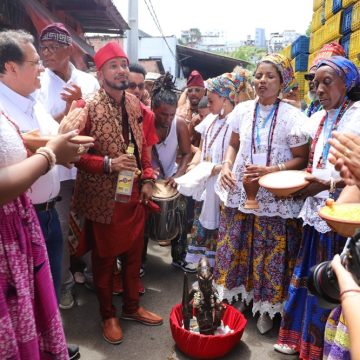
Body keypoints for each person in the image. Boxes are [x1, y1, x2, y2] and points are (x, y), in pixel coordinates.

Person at [0, 28, 89, 360]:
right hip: (20, 218)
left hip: (45, 212)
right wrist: (52, 153)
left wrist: (67, 119)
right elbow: (36, 146)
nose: (41, 67)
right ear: (10, 67)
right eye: (35, 61)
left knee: (44, 290)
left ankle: (49, 343)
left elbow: (46, 134)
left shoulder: (30, 99)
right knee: (22, 298)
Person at [71, 41, 163, 345]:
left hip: (134, 195)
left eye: (124, 64)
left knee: (135, 256)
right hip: (103, 200)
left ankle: (132, 308)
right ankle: (108, 314)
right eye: (114, 65)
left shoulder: (136, 105)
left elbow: (143, 149)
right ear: (100, 74)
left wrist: (148, 177)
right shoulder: (87, 106)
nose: (122, 69)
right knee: (105, 260)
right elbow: (73, 155)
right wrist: (108, 163)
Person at [216, 53, 309, 334]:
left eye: (270, 76)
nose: (262, 81)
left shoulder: (293, 117)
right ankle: (241, 297)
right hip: (241, 190)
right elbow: (233, 143)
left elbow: (301, 159)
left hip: (274, 195)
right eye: (258, 75)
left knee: (270, 251)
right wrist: (227, 166)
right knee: (240, 244)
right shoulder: (242, 111)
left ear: (282, 82)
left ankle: (267, 306)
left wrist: (272, 170)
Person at [275, 56, 360, 358]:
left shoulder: (357, 116)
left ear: (347, 84)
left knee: (336, 283)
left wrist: (327, 186)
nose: (319, 89)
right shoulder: (318, 118)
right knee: (313, 275)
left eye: (327, 82)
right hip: (316, 211)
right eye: (315, 83)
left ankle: (326, 348)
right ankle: (304, 341)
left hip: (343, 213)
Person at [37, 22, 100, 309]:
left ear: (68, 49)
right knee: (61, 227)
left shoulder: (88, 81)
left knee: (91, 221)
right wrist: (69, 109)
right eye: (43, 48)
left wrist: (81, 102)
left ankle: (91, 272)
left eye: (52, 47)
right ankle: (63, 284)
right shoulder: (38, 82)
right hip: (58, 170)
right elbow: (43, 132)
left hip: (88, 166)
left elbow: (100, 119)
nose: (46, 54)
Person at [184, 72, 249, 268]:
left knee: (221, 229)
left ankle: (218, 273)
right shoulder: (210, 120)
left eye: (211, 101)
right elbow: (203, 149)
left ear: (225, 98)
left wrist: (215, 168)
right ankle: (205, 270)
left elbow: (238, 156)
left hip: (223, 185)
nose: (208, 104)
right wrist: (195, 165)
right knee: (203, 223)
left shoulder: (237, 122)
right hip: (206, 183)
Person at [150, 72, 193, 270]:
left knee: (183, 213)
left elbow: (186, 153)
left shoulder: (180, 125)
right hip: (148, 178)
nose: (168, 119)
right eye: (163, 114)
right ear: (153, 109)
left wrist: (178, 175)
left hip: (172, 175)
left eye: (171, 114)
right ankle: (139, 261)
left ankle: (179, 256)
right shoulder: (144, 123)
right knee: (143, 218)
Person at [304, 42, 345, 118]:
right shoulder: (308, 111)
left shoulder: (343, 112)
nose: (313, 82)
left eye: (326, 80)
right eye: (310, 77)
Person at [176, 70, 206, 148]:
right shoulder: (180, 112)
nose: (193, 93)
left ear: (204, 91)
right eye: (190, 90)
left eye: (197, 90)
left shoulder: (210, 113)